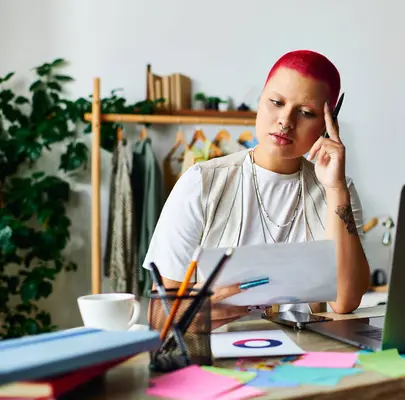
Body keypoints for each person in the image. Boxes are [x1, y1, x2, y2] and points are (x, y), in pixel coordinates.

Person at [143, 49, 371, 330]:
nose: (285, 121)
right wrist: (194, 310)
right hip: (221, 361)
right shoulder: (201, 183)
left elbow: (345, 302)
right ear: (260, 99)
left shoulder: (338, 190)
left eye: (305, 112)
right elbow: (157, 318)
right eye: (276, 102)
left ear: (328, 124)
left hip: (305, 358)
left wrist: (336, 189)